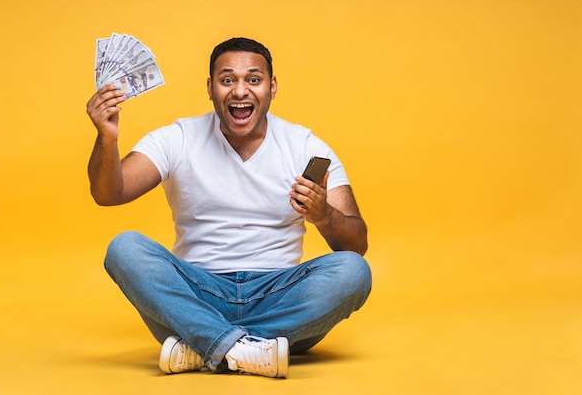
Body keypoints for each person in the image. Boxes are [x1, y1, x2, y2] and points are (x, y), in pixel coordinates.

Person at [85, 37, 372, 378]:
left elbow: (357, 246)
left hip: (277, 295)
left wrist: (323, 215)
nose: (240, 91)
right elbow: (108, 193)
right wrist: (106, 137)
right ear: (210, 87)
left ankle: (205, 346)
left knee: (353, 271)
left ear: (272, 86)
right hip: (195, 294)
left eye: (253, 79)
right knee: (124, 248)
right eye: (227, 80)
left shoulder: (306, 146)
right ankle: (248, 350)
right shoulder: (177, 138)